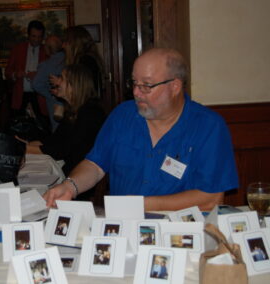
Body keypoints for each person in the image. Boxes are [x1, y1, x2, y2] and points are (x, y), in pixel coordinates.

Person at [44, 48, 238, 211]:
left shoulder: (208, 126)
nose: (136, 93)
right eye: (134, 83)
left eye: (146, 85)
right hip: (124, 226)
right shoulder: (123, 115)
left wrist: (141, 205)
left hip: (181, 232)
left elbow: (211, 198)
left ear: (175, 86)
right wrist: (70, 186)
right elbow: (95, 165)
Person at [22, 64, 106, 176]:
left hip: (80, 177)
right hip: (70, 170)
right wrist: (27, 145)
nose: (57, 83)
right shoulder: (74, 110)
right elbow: (54, 140)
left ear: (74, 85)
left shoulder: (90, 113)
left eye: (61, 78)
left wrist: (24, 149)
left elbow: (61, 150)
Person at [5, 20, 48, 117]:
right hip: (20, 96)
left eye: (40, 37)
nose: (37, 40)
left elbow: (52, 75)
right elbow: (7, 72)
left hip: (40, 97)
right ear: (28, 35)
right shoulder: (17, 49)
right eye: (34, 36)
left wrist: (38, 76)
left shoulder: (46, 51)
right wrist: (15, 74)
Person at [50, 25, 104, 97]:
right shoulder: (89, 58)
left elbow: (81, 90)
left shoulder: (85, 61)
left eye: (65, 42)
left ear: (73, 43)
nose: (63, 46)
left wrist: (60, 83)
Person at [32, 35, 65, 132]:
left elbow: (36, 84)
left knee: (57, 131)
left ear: (48, 49)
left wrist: (51, 94)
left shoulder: (46, 65)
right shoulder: (70, 60)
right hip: (71, 102)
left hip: (55, 104)